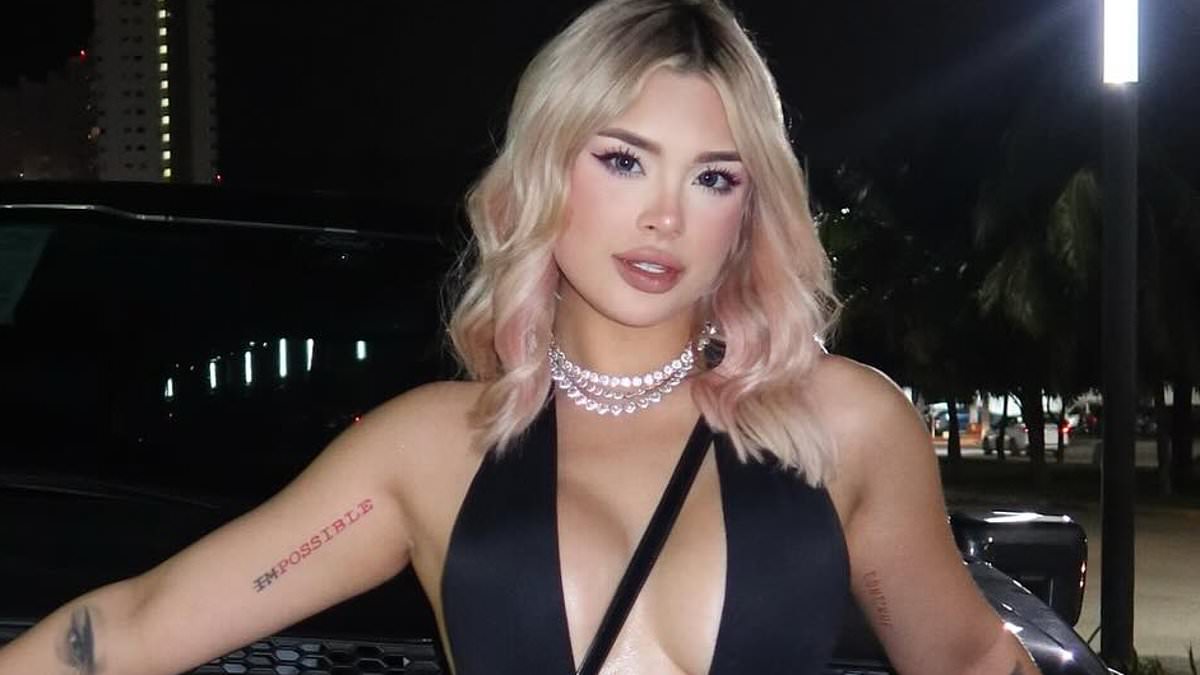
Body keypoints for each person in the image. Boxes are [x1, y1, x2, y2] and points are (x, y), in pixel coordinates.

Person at [0, 1, 1042, 673]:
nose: (665, 217)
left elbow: (970, 662)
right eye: (623, 160)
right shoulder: (430, 450)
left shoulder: (842, 428)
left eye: (713, 177)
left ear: (747, 209)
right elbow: (133, 627)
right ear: (547, 170)